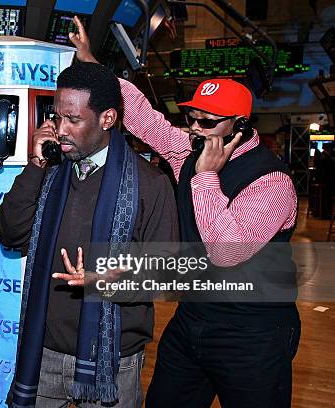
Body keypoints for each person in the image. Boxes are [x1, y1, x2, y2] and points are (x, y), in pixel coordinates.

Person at [71, 16, 300, 408]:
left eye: (206, 122)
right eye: (191, 117)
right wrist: (95, 69)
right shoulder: (188, 151)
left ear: (241, 126)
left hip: (253, 334)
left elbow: (225, 251)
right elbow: (145, 119)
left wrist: (206, 177)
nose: (193, 128)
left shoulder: (273, 183)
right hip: (192, 319)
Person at [0, 62, 178, 407]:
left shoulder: (150, 184)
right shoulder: (48, 173)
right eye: (56, 117)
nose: (59, 130)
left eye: (73, 120)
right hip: (42, 352)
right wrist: (35, 166)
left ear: (107, 119)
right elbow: (10, 233)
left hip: (113, 360)